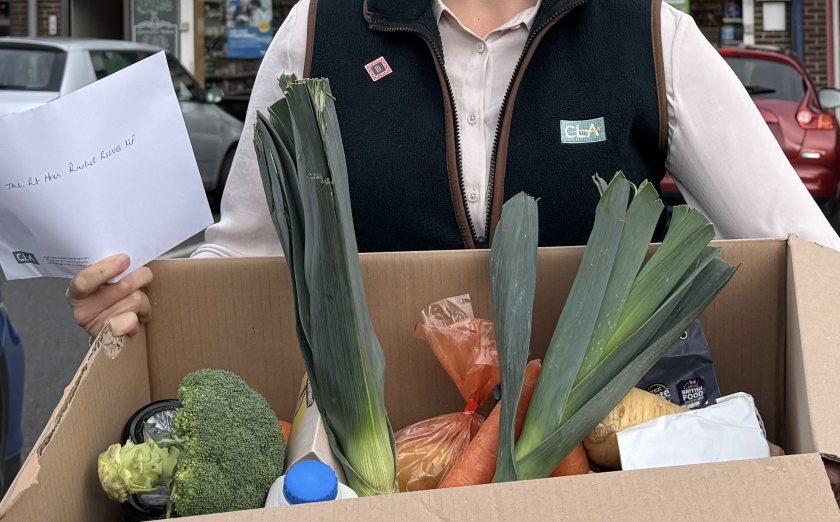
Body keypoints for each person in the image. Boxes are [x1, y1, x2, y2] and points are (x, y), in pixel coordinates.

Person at [67, 0, 840, 337]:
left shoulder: (648, 34)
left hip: (597, 468)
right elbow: (243, 257)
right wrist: (138, 304)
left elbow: (810, 258)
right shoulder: (318, 31)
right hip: (371, 470)